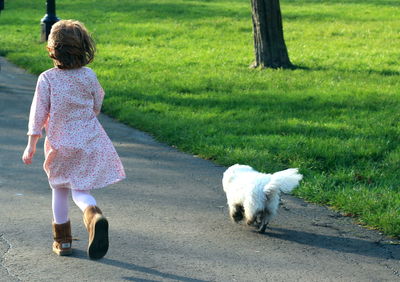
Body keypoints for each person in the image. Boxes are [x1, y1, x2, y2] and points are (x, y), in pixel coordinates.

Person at [22, 20, 126, 259]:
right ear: (83, 47)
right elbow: (97, 102)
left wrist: (32, 144)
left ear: (52, 49)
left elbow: (38, 113)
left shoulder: (47, 79)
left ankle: (63, 241)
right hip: (89, 142)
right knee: (80, 190)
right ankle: (93, 214)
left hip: (60, 145)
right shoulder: (88, 75)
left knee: (58, 189)